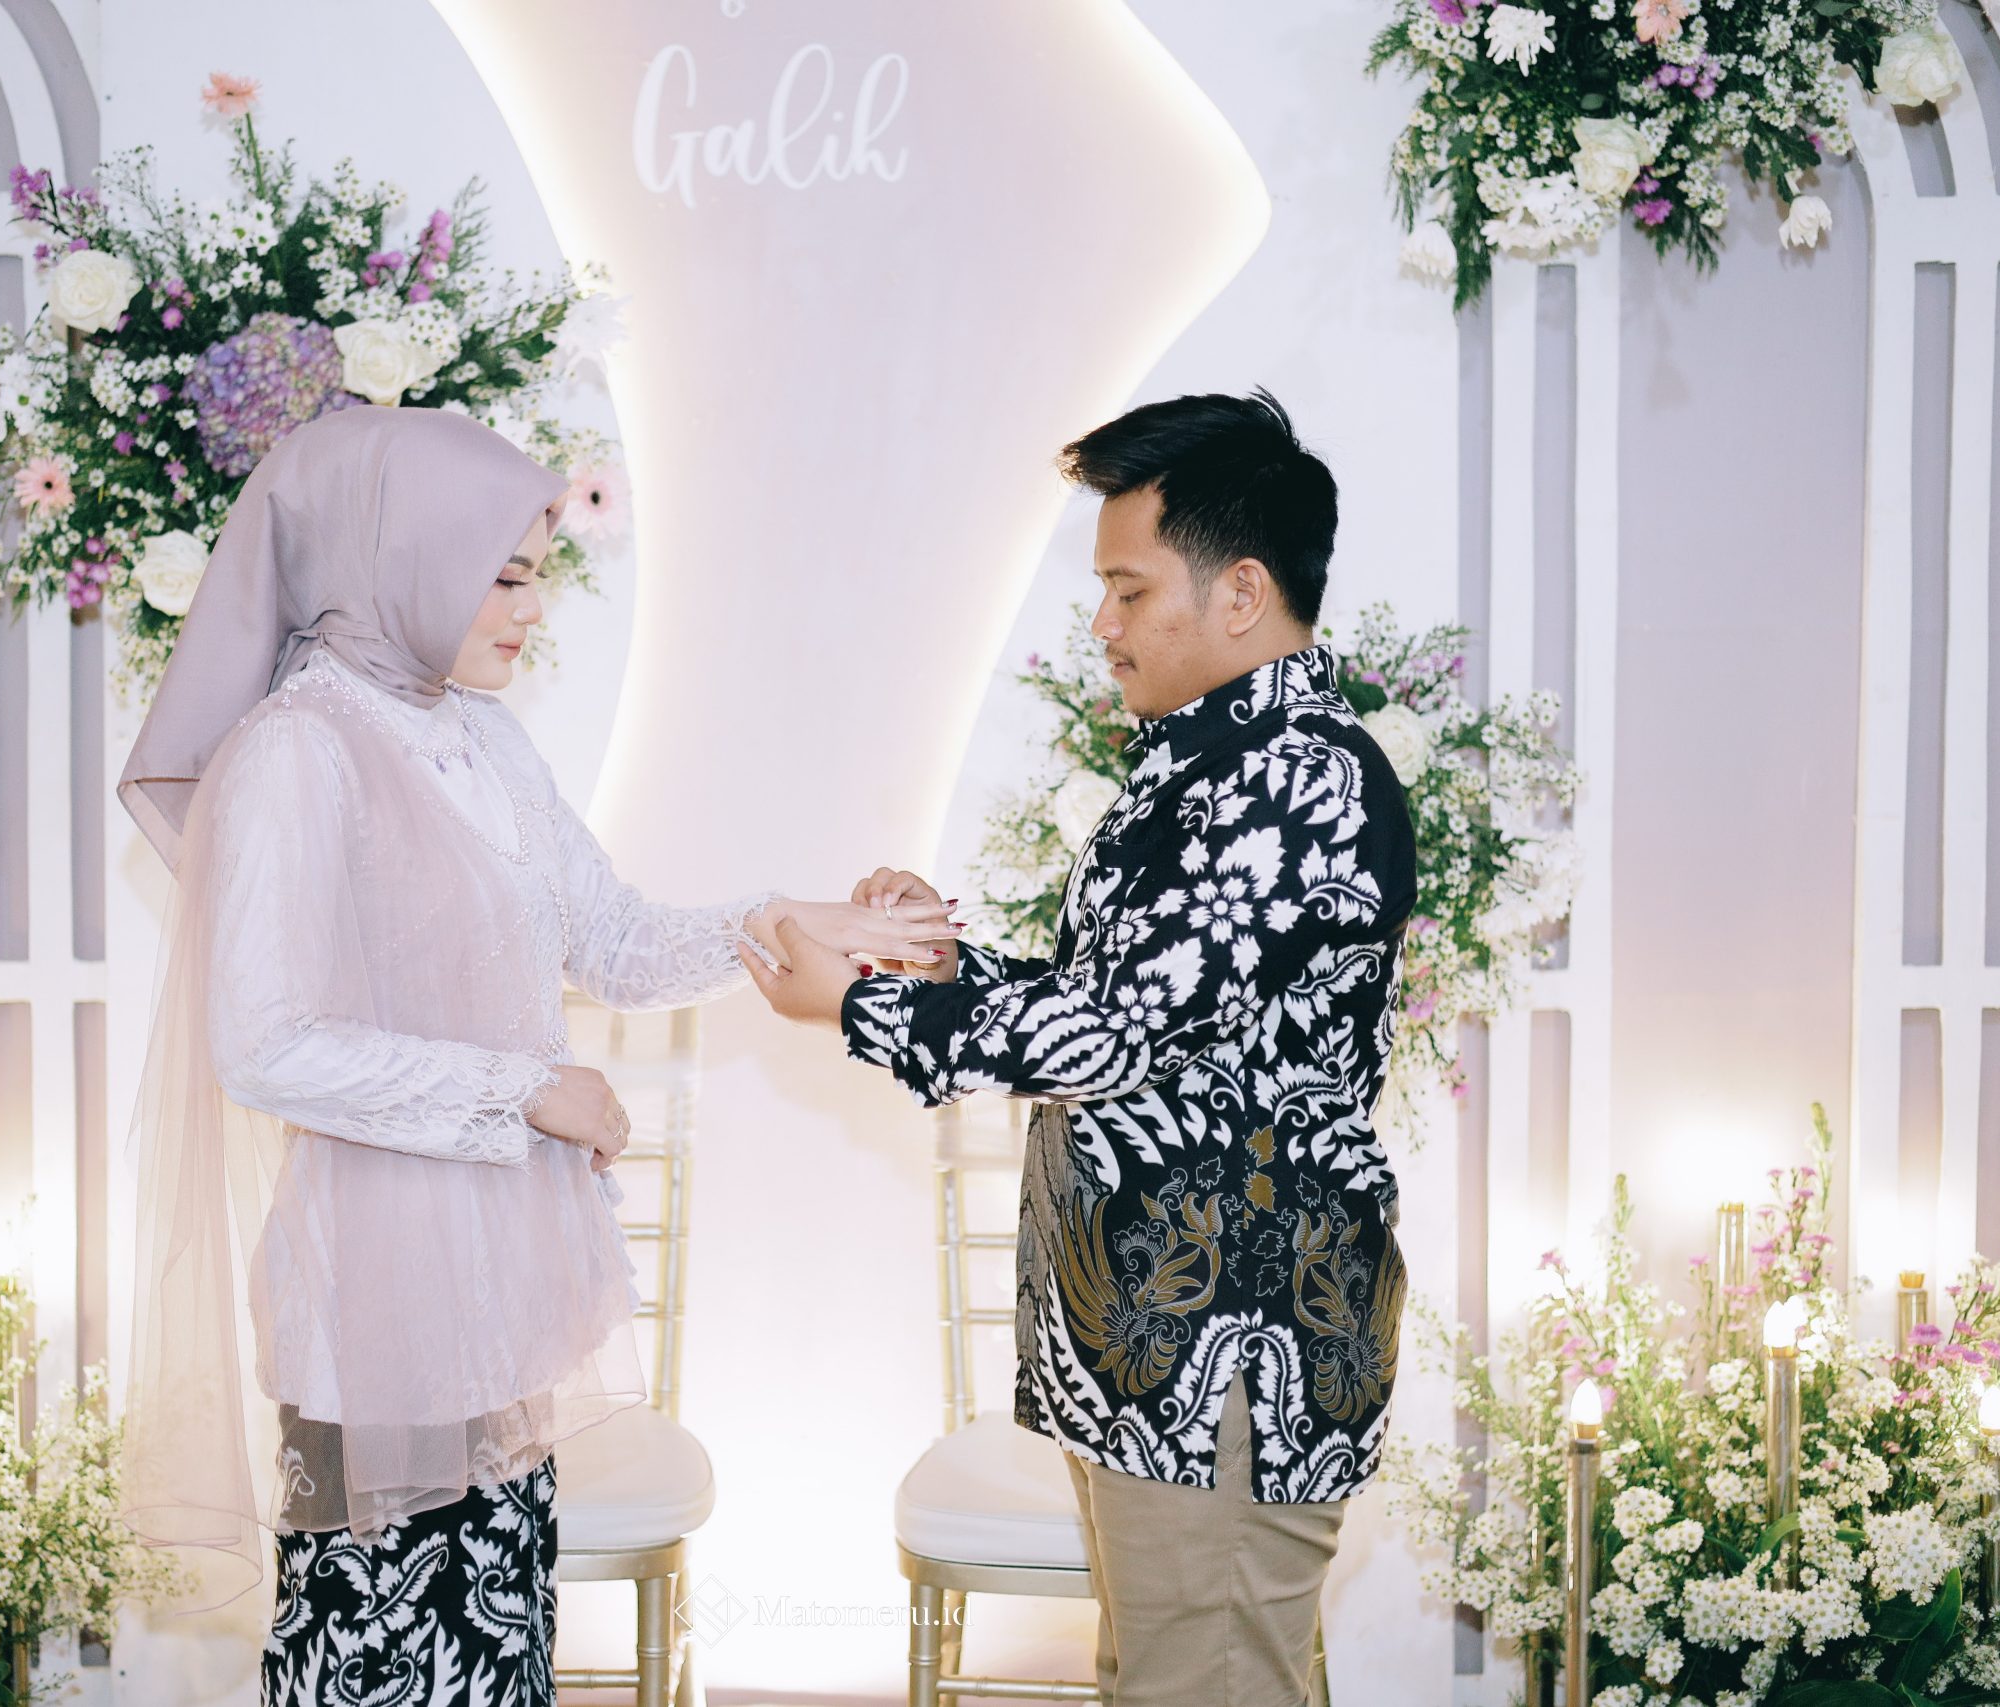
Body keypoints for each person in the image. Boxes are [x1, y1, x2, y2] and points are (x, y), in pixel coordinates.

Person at [113, 404, 955, 1707]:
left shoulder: (481, 735)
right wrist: (527, 1090)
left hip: (497, 1287)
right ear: (401, 562)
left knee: (495, 1655)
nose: (531, 608)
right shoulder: (295, 751)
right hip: (373, 1300)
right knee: (377, 1659)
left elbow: (611, 939)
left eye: (537, 575)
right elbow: (265, 1046)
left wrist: (792, 921)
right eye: (502, 576)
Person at [741, 390, 1418, 1707]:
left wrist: (857, 1007)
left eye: (1127, 589)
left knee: (1203, 1688)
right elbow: (1136, 1012)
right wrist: (943, 966)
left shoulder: (1296, 779)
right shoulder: (1214, 765)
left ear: (1241, 592)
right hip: (1154, 1341)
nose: (1101, 624)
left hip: (1229, 1347)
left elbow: (1107, 1038)